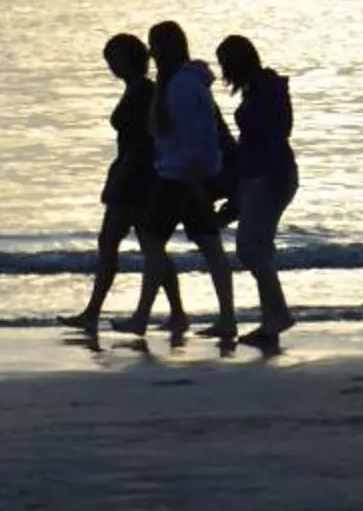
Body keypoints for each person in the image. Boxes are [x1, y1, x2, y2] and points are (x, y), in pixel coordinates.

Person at [122, 20, 239, 341]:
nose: (150, 51)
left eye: (154, 45)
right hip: (181, 171)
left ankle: (145, 317)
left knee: (156, 241)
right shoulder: (177, 82)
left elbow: (197, 135)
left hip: (181, 175)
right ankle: (223, 316)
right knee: (207, 245)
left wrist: (195, 176)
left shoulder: (182, 86)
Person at [71, 32, 182, 332]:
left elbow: (141, 143)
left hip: (136, 177)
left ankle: (93, 311)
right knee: (149, 246)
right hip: (138, 175)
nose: (111, 65)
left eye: (115, 58)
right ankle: (176, 312)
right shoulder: (139, 89)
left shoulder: (144, 91)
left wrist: (118, 178)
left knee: (116, 242)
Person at [215, 34, 297, 347]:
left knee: (251, 249)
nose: (223, 71)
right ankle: (273, 319)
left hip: (269, 175)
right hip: (263, 174)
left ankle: (276, 317)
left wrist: (268, 178)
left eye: (225, 63)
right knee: (256, 248)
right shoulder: (261, 88)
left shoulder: (264, 91)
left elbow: (274, 136)